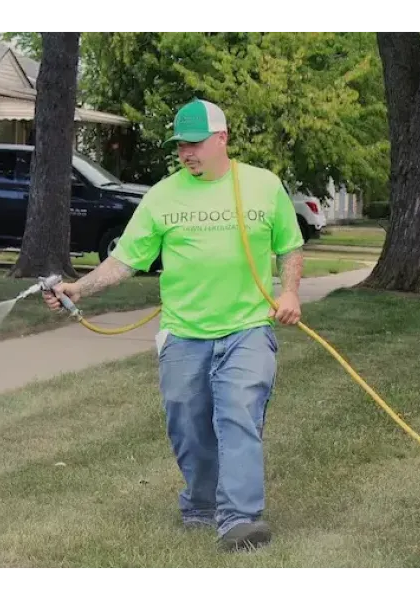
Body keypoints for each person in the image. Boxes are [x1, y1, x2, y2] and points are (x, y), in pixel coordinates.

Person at [43, 98, 305, 553]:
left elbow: (290, 246)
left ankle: (240, 519)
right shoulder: (163, 195)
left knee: (238, 414)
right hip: (184, 332)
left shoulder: (263, 186)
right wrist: (77, 289)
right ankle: (202, 505)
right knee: (187, 423)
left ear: (222, 139)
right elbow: (125, 260)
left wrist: (290, 292)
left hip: (246, 328)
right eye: (180, 145)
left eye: (195, 143)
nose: (187, 153)